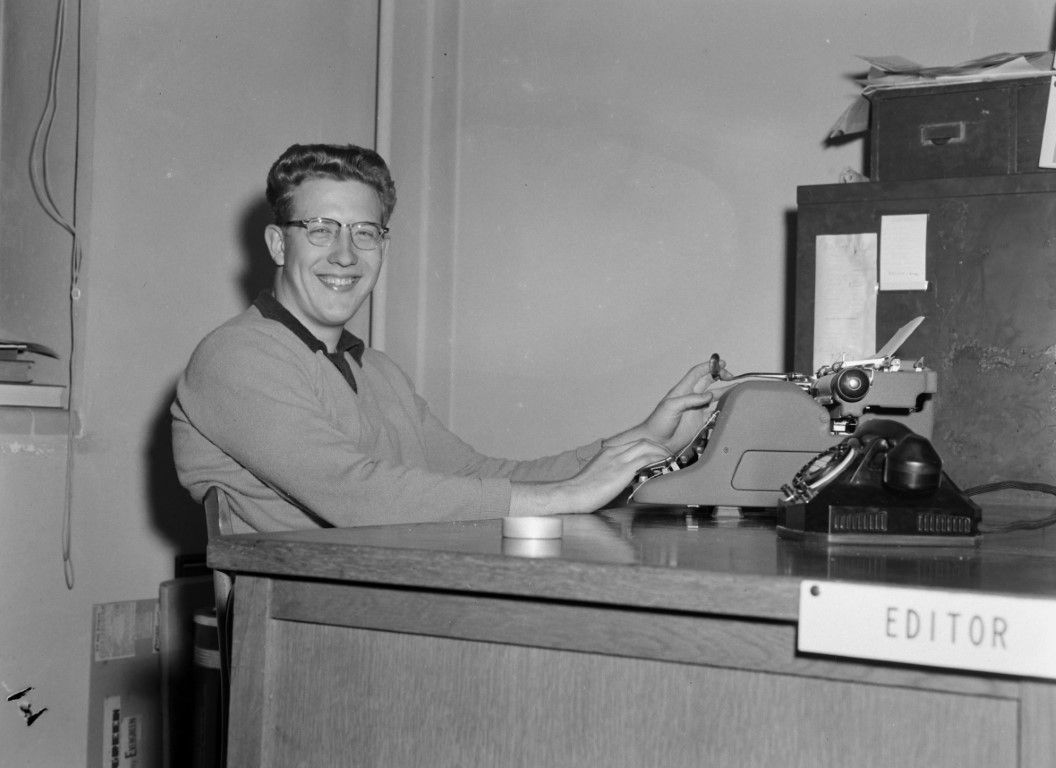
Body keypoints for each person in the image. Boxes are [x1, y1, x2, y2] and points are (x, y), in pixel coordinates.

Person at [171, 143, 727, 532]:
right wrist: (569, 496)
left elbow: (482, 477)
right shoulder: (236, 356)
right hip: (299, 627)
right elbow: (356, 496)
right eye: (320, 230)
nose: (345, 255)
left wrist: (647, 437)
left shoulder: (376, 371)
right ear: (277, 244)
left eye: (365, 233)